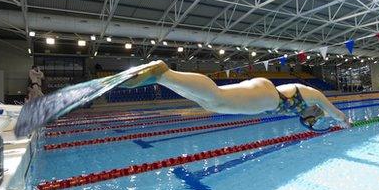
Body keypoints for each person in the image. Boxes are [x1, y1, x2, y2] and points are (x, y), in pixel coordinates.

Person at [123, 60, 350, 130]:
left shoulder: (308, 101)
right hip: (269, 98)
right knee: (218, 97)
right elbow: (335, 112)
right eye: (314, 118)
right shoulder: (313, 95)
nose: (314, 118)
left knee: (210, 105)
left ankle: (161, 77)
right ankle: (165, 72)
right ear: (315, 113)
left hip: (265, 92)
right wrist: (346, 122)